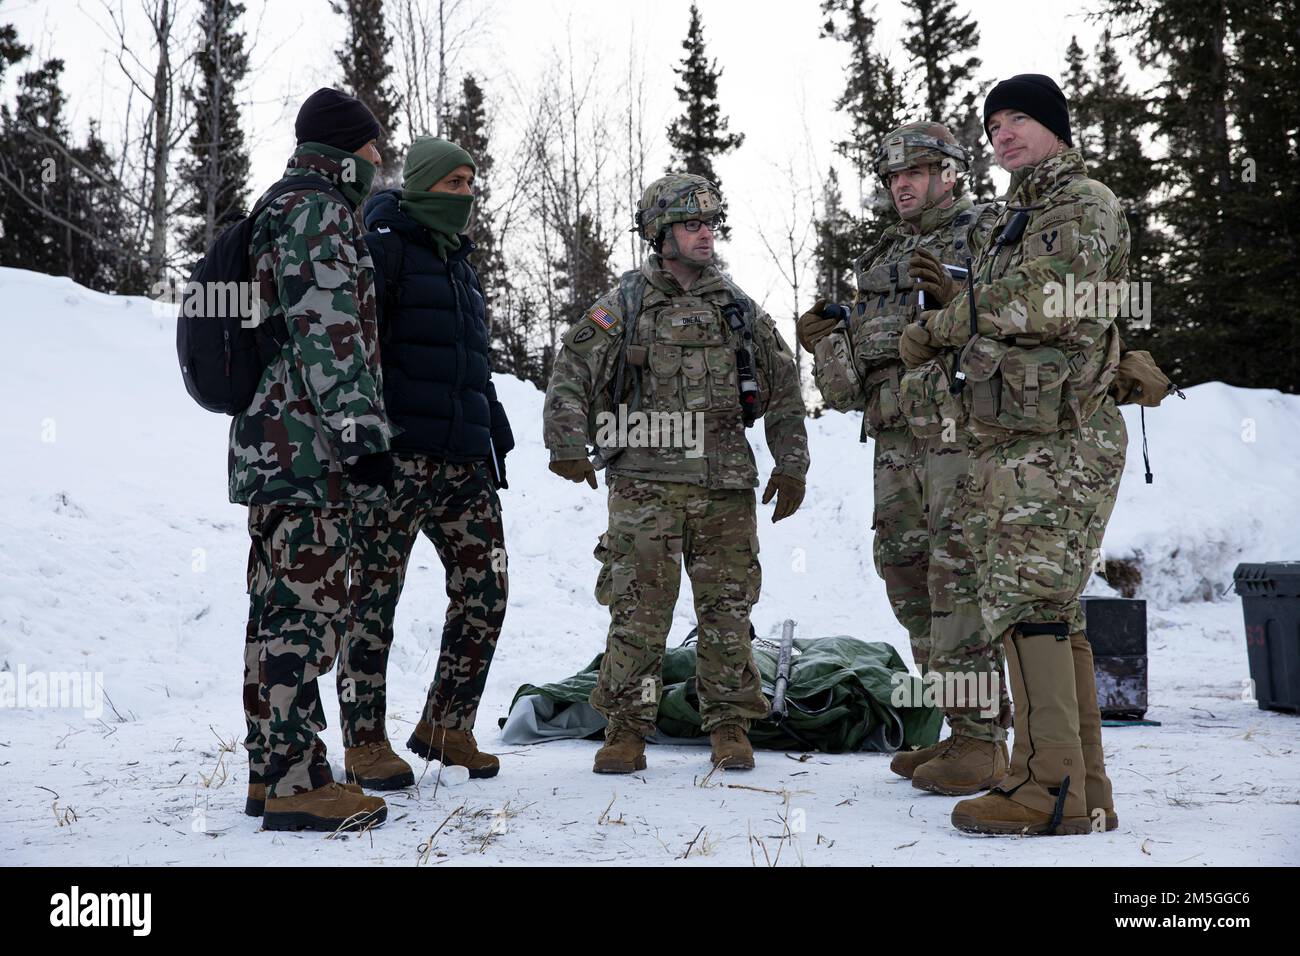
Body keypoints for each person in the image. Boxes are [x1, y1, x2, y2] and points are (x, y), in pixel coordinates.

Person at [903, 74, 1129, 835]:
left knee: (1031, 609)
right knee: (1049, 612)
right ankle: (1083, 789)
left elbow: (1053, 293)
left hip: (1056, 439)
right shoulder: (1020, 214)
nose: (1004, 134)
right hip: (1022, 436)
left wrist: (945, 324)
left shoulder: (1082, 200)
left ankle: (1046, 790)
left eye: (1021, 119)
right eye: (995, 123)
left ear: (1057, 127)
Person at [543, 173, 809, 774]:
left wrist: (791, 463)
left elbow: (785, 385)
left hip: (724, 486)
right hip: (643, 483)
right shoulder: (627, 302)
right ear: (660, 234)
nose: (705, 234)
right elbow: (573, 370)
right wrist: (566, 443)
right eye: (692, 224)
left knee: (728, 610)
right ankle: (626, 727)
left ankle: (731, 724)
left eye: (710, 223)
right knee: (638, 610)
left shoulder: (737, 309)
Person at [796, 122, 1010, 795]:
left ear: (952, 171)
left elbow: (1019, 328)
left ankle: (983, 738)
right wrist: (826, 343)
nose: (902, 185)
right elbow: (843, 391)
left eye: (916, 171)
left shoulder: (989, 233)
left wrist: (962, 302)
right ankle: (957, 728)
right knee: (907, 577)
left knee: (958, 581)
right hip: (893, 445)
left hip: (958, 435)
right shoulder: (885, 257)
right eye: (893, 176)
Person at [236, 87, 393, 831]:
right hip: (308, 450)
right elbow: (329, 334)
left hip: (272, 449)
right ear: (342, 151)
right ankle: (300, 783)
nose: (378, 165)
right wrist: (363, 439)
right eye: (372, 153)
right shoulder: (319, 210)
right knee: (307, 611)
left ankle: (271, 772)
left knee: (274, 612)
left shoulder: (275, 207)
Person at [338, 136, 513, 786]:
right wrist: (361, 440)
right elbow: (354, 348)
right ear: (422, 187)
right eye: (454, 183)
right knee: (372, 600)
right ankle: (363, 744)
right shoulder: (384, 248)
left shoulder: (460, 264)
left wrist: (491, 421)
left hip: (464, 462)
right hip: (396, 457)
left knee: (486, 588)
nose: (466, 194)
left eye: (471, 182)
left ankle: (448, 722)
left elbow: (470, 360)